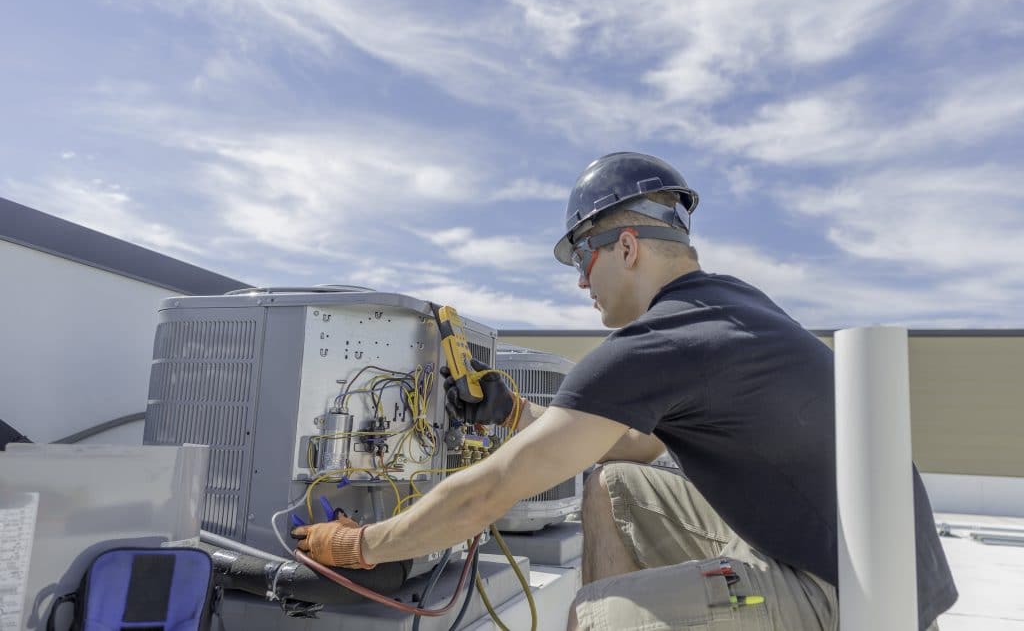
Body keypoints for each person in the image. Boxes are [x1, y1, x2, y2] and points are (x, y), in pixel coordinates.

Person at [293, 152, 958, 630]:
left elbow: (492, 491)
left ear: (628, 246)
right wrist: (517, 412)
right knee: (610, 484)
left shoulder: (659, 344)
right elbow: (630, 450)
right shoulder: (728, 308)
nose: (582, 283)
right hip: (881, 568)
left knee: (597, 615)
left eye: (583, 258)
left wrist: (361, 545)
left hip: (851, 601)